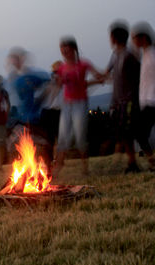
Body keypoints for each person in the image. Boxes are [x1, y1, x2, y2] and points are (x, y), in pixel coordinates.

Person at [53, 36, 103, 178]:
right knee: (63, 137)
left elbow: (96, 76)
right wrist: (58, 80)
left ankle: (85, 168)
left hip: (80, 104)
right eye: (62, 50)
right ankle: (58, 168)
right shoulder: (62, 68)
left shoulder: (83, 64)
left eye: (66, 49)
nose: (64, 52)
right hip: (67, 104)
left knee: (80, 136)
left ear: (73, 49)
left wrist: (102, 78)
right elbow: (58, 85)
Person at [103, 20, 141, 173]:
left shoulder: (129, 55)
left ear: (115, 37)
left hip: (128, 101)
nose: (109, 39)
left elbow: (136, 79)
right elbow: (105, 74)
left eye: (110, 36)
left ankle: (134, 163)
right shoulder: (115, 55)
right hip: (117, 101)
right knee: (124, 134)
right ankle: (132, 163)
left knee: (128, 133)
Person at [131, 21, 155, 171]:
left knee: (139, 132)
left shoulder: (152, 54)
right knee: (140, 132)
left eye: (135, 38)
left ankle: (152, 161)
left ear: (143, 38)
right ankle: (152, 161)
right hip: (145, 100)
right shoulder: (145, 53)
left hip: (153, 100)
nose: (133, 42)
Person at [37, 61, 63, 176]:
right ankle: (49, 164)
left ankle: (56, 162)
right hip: (49, 112)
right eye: (55, 72)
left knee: (59, 139)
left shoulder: (65, 82)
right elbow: (43, 96)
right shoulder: (49, 82)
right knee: (49, 140)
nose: (56, 74)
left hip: (60, 112)